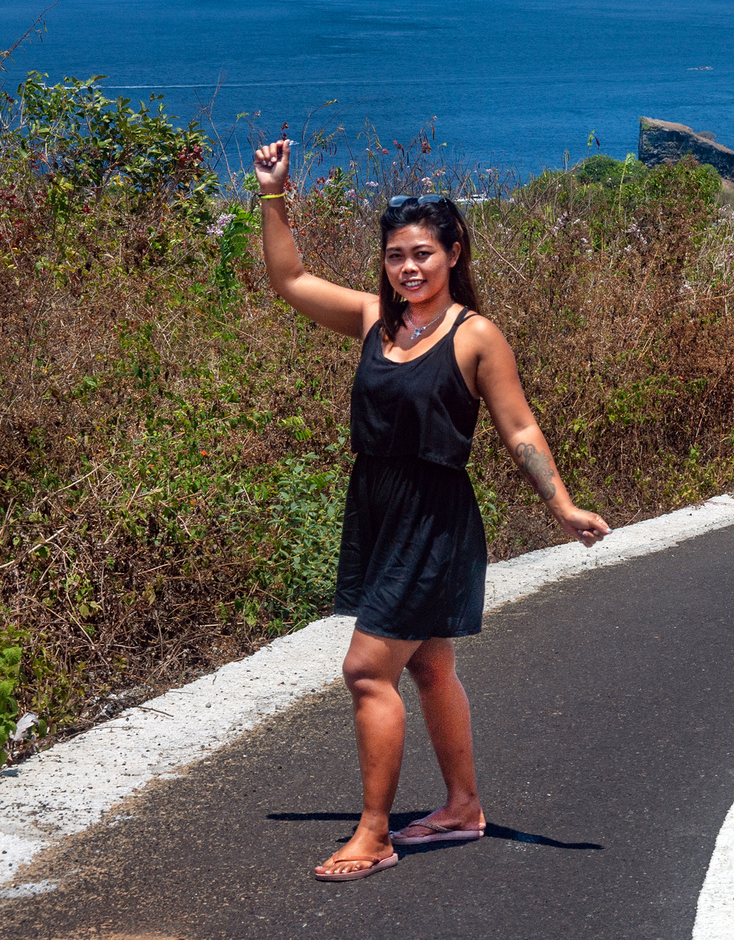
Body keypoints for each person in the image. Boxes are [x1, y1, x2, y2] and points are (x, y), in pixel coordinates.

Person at [251, 138, 611, 882]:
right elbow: (288, 278)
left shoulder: (474, 335)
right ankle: (461, 808)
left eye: (422, 253)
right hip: (378, 504)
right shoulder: (373, 321)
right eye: (394, 256)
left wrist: (564, 507)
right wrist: (273, 194)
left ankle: (375, 832)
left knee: (366, 669)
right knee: (430, 668)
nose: (408, 268)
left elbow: (518, 428)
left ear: (453, 253)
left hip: (433, 516)